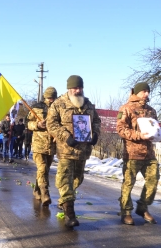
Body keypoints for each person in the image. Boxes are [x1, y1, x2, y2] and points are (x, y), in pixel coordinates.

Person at [47, 76, 101, 227]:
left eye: (80, 88)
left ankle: (63, 201)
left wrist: (95, 133)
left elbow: (96, 120)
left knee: (77, 179)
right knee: (65, 179)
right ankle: (70, 214)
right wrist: (65, 136)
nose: (78, 91)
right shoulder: (59, 104)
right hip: (66, 149)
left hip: (83, 150)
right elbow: (51, 124)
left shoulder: (88, 104)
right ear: (69, 88)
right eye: (75, 88)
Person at [116, 81, 161, 225]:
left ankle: (142, 207)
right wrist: (138, 135)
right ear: (136, 93)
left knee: (153, 180)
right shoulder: (126, 109)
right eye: (143, 91)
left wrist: (159, 135)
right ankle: (126, 212)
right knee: (128, 183)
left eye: (148, 91)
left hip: (149, 154)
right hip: (132, 154)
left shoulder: (151, 110)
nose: (146, 94)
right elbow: (120, 129)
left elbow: (155, 127)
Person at [27, 86, 58, 207]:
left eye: (53, 97)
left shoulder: (58, 108)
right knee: (42, 168)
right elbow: (27, 123)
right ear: (45, 97)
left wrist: (58, 135)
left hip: (51, 145)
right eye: (50, 97)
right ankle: (45, 194)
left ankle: (37, 190)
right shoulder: (36, 107)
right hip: (39, 144)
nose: (51, 100)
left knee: (45, 170)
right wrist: (37, 124)